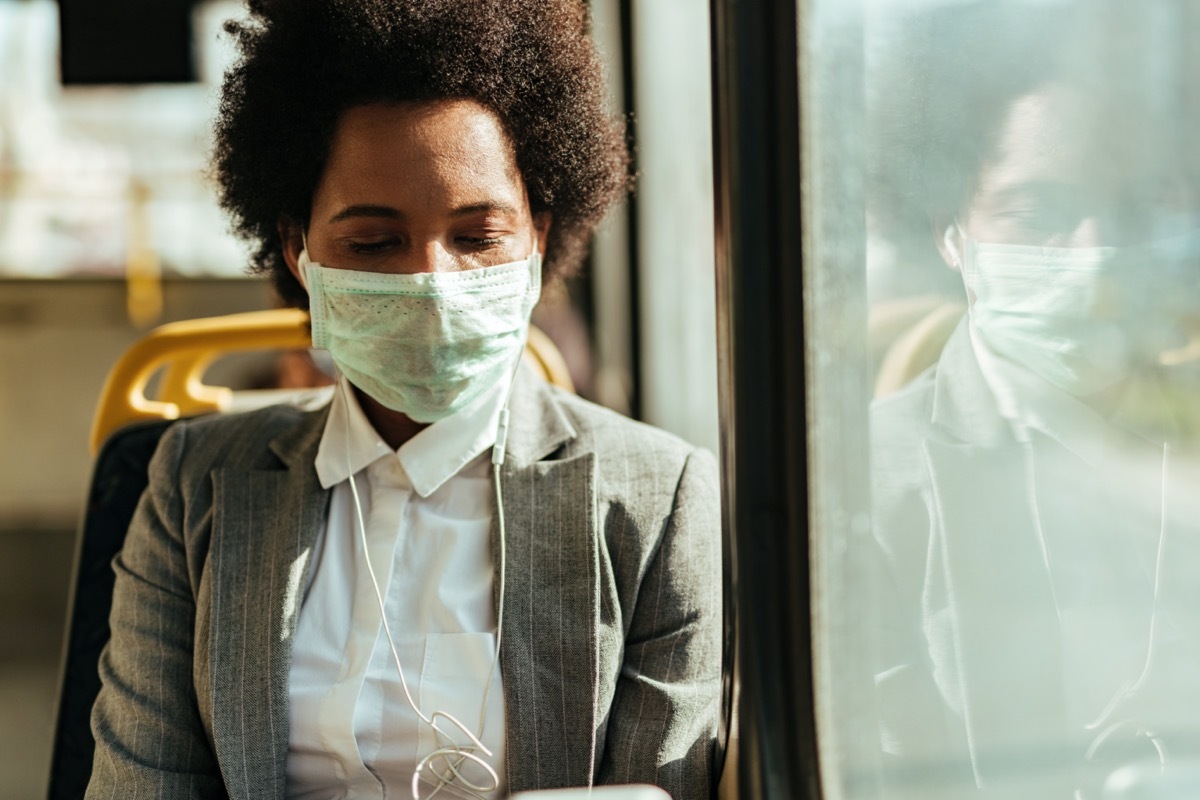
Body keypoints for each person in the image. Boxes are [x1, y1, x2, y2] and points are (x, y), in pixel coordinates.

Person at [86, 2, 722, 798]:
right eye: (374, 242)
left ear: (536, 238)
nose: (431, 283)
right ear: (298, 250)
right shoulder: (192, 484)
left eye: (477, 236)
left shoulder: (660, 500)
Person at [864, 2, 1200, 797]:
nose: (1092, 255)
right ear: (951, 229)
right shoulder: (864, 487)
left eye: (1133, 205)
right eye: (1040, 212)